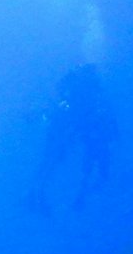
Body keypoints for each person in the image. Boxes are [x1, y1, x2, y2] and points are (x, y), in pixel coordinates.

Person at [31, 63, 115, 212]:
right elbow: (99, 110)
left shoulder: (77, 84)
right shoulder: (89, 85)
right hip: (83, 124)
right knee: (94, 156)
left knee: (54, 157)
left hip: (73, 122)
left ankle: (41, 193)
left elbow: (65, 102)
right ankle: (81, 194)